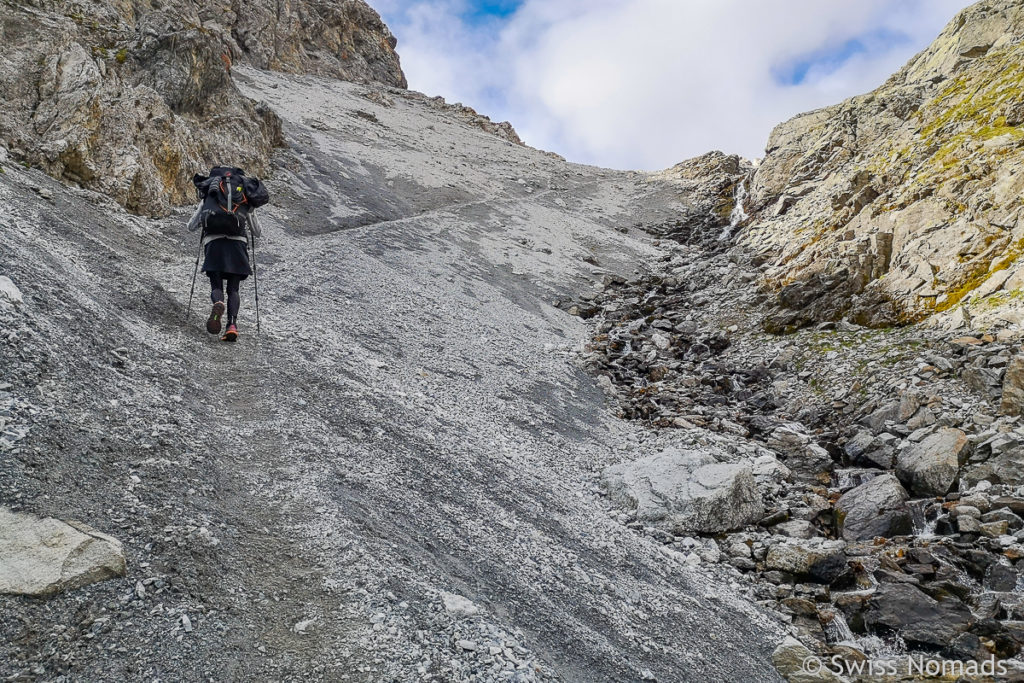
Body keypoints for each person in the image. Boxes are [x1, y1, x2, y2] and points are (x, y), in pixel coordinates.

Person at [187, 167, 269, 341]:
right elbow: (257, 231)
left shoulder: (210, 195)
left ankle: (218, 302)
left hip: (214, 244)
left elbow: (191, 226)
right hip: (237, 245)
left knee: (216, 285)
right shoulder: (244, 197)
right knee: (234, 289)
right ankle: (232, 325)